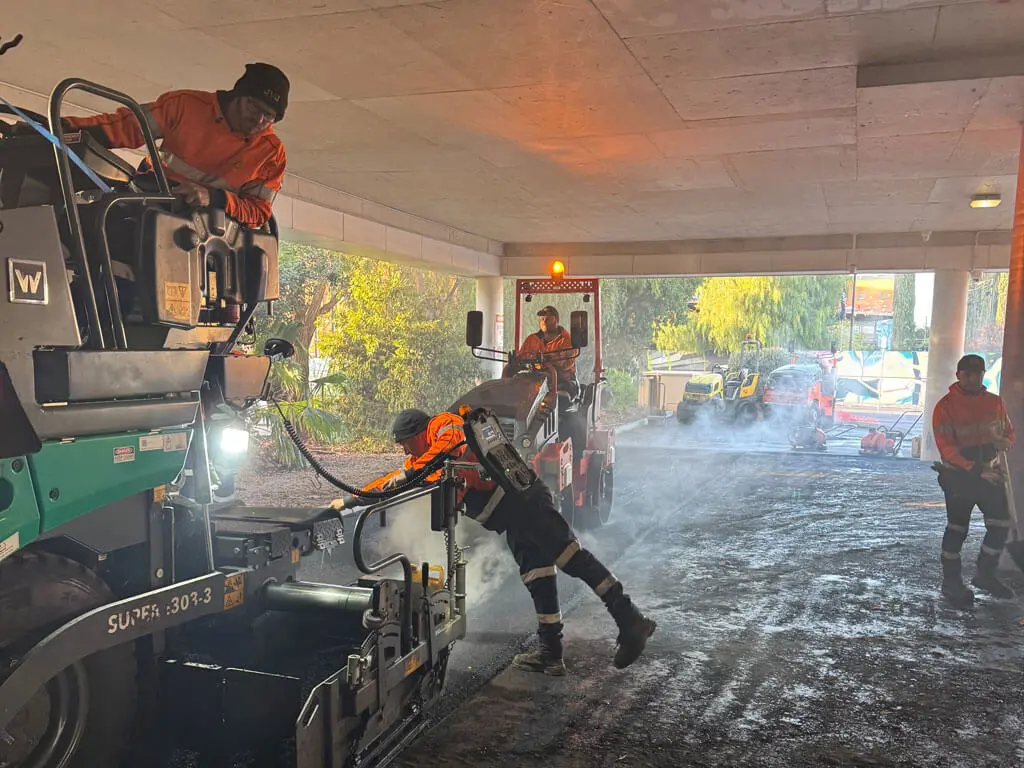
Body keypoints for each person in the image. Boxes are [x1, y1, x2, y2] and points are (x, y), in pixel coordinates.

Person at [338, 408, 656, 676]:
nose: (405, 452)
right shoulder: (424, 460)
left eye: (405, 444)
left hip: (526, 503)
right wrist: (352, 499)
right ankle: (550, 652)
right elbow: (398, 477)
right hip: (513, 517)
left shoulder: (444, 426)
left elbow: (447, 448)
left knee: (573, 559)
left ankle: (630, 620)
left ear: (419, 432)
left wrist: (407, 477)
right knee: (538, 577)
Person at [62, 63, 289, 228]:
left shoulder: (271, 153)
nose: (259, 121)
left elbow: (259, 212)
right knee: (76, 222)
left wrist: (215, 199)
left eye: (268, 116)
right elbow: (123, 126)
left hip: (205, 231)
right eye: (254, 109)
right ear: (237, 96)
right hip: (150, 198)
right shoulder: (185, 106)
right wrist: (61, 127)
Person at [932, 354, 1016, 607]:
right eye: (967, 373)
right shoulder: (945, 406)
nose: (972, 378)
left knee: (1001, 524)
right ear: (958, 375)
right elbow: (946, 448)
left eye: (977, 373)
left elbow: (1007, 432)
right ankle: (951, 583)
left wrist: (1006, 441)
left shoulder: (994, 403)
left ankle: (985, 574)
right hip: (959, 476)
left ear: (982, 375)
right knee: (957, 529)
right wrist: (974, 469)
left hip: (990, 472)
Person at [509, 305, 580, 398]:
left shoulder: (566, 339)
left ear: (556, 320)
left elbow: (567, 363)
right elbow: (523, 357)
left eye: (548, 317)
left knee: (559, 398)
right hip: (536, 379)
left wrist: (547, 361)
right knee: (516, 387)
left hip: (562, 381)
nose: (544, 320)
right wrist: (517, 361)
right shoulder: (532, 339)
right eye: (542, 318)